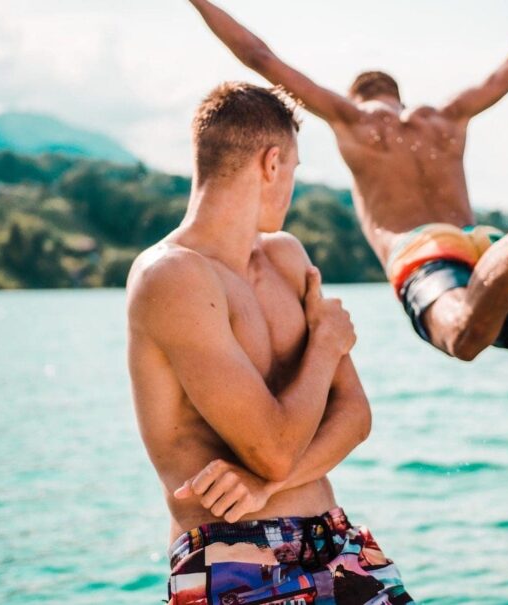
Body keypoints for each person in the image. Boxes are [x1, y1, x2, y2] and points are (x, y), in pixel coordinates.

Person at [187, 0, 508, 389]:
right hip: (492, 248)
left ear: (356, 96)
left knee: (463, 336)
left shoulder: (353, 120)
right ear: (398, 97)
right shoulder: (446, 118)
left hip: (425, 251)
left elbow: (259, 56)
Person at [126, 82, 415, 604]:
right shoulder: (172, 276)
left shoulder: (286, 256)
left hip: (335, 539)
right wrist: (325, 344)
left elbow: (355, 415)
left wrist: (266, 488)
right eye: (295, 170)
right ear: (272, 163)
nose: (292, 187)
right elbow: (274, 451)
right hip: (232, 557)